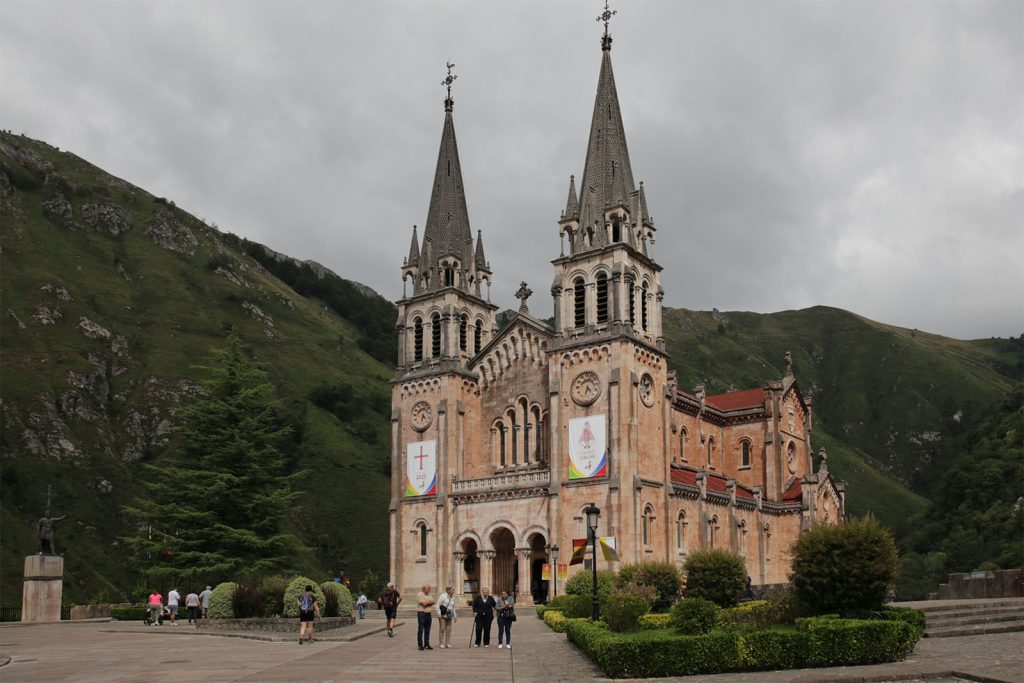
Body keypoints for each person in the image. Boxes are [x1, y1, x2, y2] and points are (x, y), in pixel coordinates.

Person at [435, 584, 457, 648]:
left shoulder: (453, 597)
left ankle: (447, 643)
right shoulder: (443, 596)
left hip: (449, 615)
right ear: (448, 590)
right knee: (442, 629)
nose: (453, 591)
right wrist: (439, 613)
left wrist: (455, 616)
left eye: (453, 590)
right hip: (442, 615)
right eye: (452, 590)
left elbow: (453, 607)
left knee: (449, 629)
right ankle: (441, 643)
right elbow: (437, 605)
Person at [415, 584, 434, 650]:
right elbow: (424, 604)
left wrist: (428, 602)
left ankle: (426, 644)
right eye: (428, 589)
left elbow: (433, 602)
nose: (429, 590)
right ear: (423, 589)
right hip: (421, 613)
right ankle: (420, 644)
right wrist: (429, 602)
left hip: (428, 613)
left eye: (429, 589)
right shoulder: (419, 594)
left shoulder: (429, 594)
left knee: (428, 630)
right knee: (421, 629)